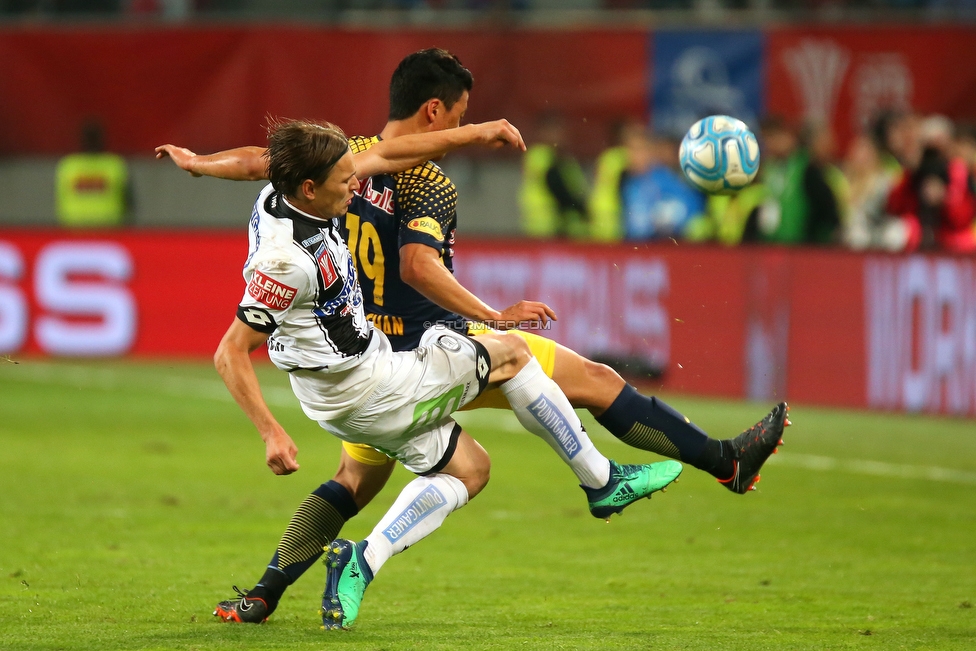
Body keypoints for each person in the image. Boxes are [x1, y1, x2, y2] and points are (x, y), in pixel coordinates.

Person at [159, 48, 789, 625]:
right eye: (461, 114)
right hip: (411, 352)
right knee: (578, 378)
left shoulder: (334, 158)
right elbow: (417, 266)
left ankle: (263, 594)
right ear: (436, 110)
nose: (349, 187)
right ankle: (689, 468)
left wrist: (198, 165)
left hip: (357, 356)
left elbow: (260, 163)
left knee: (362, 481)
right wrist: (494, 317)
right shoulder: (421, 182)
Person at [216, 118, 686, 630]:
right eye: (345, 179)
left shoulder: (281, 193)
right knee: (508, 353)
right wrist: (271, 432)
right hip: (370, 387)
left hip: (345, 391)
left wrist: (195, 163)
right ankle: (601, 480)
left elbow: (388, 154)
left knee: (469, 470)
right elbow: (230, 352)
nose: (357, 183)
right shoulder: (284, 262)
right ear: (309, 187)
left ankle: (352, 564)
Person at [518, 111, 589, 239]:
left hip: (554, 224)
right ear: (542, 133)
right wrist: (579, 209)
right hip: (549, 223)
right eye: (554, 131)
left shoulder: (562, 158)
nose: (558, 136)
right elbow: (556, 185)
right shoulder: (542, 156)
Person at [56, 120, 131, 228]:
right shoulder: (115, 165)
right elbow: (129, 202)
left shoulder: (68, 165)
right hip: (105, 228)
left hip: (81, 229)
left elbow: (60, 201)